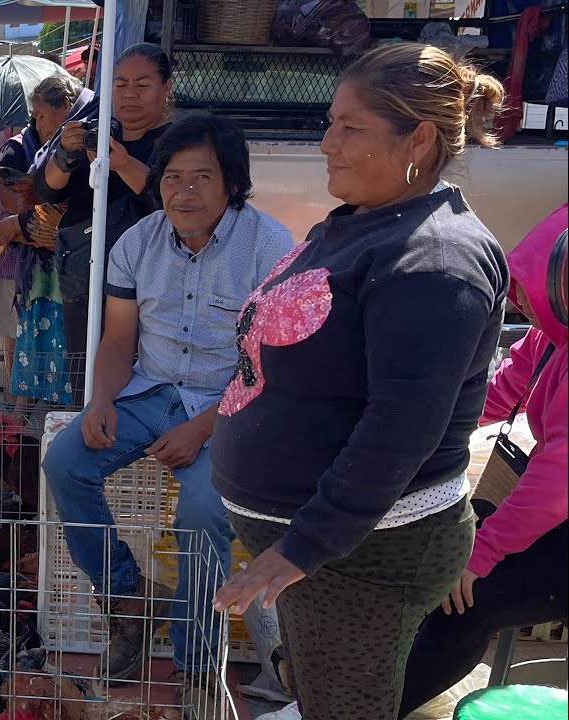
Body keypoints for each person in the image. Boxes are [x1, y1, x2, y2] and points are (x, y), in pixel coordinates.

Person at [210, 43, 509, 720]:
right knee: (325, 697)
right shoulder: (365, 221)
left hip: (361, 560)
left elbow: (402, 427)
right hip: (326, 554)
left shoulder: (436, 259)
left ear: (420, 137)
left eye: (351, 128)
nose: (327, 144)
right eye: (330, 122)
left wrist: (304, 547)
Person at [41, 116, 294, 703]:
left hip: (234, 403)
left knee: (204, 510)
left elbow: (271, 368)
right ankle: (127, 598)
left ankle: (197, 666)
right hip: (149, 392)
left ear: (231, 183)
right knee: (63, 463)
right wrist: (100, 401)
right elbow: (117, 341)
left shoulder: (271, 246)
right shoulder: (138, 242)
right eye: (172, 177)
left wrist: (203, 426)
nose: (184, 191)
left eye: (202, 177)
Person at [399, 204, 568, 718]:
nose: (520, 306)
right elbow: (489, 397)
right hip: (554, 514)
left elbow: (557, 477)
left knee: (468, 597)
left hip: (558, 513)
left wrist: (481, 554)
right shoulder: (550, 336)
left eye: (529, 294)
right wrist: (407, 434)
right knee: (438, 555)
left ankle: (366, 706)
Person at [32, 43, 173, 402]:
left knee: (140, 379)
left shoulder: (178, 141)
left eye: (141, 85)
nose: (129, 94)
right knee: (86, 374)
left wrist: (122, 162)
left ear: (166, 87)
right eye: (120, 84)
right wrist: (64, 151)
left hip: (152, 284)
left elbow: (170, 201)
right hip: (86, 276)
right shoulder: (97, 132)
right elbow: (47, 190)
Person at [0, 74, 84, 410]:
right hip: (36, 262)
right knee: (26, 334)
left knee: (57, 338)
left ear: (65, 108)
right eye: (36, 116)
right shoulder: (30, 148)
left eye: (42, 115)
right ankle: (20, 412)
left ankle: (41, 411)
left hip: (60, 262)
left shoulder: (75, 147)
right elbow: (13, 200)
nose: (37, 123)